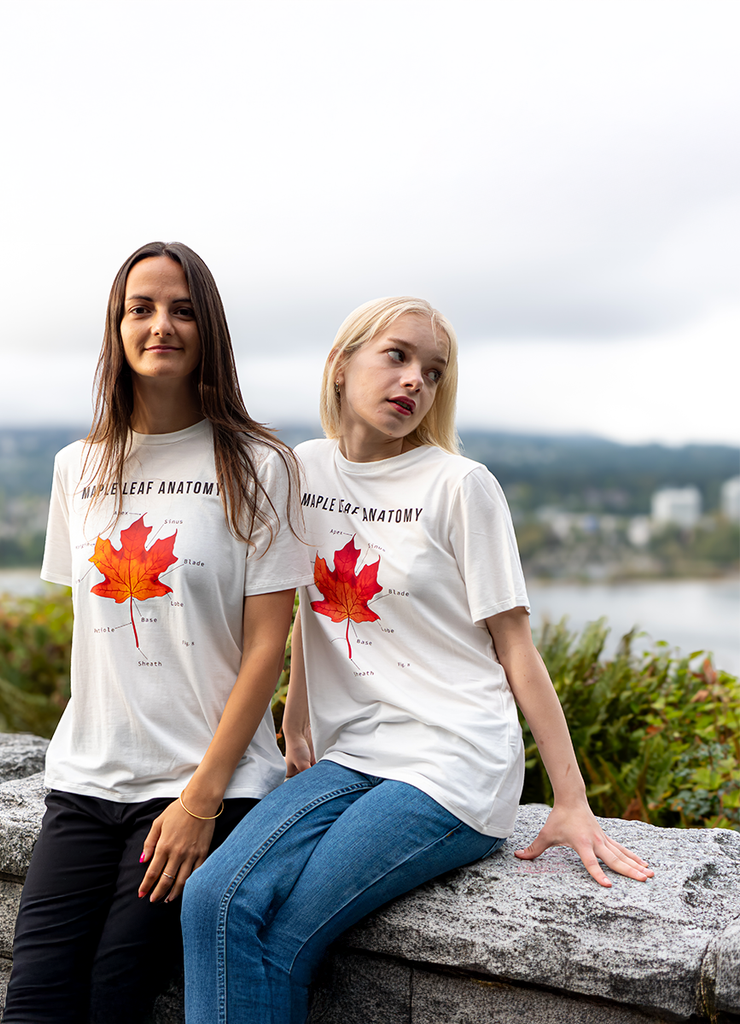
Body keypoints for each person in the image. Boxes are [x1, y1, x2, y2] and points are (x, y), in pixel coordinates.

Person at [181, 296, 654, 1024]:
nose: (415, 383)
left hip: (452, 763)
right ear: (341, 367)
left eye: (433, 373)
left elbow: (517, 649)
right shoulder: (302, 470)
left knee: (282, 938)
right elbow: (317, 607)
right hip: (355, 754)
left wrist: (572, 799)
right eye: (397, 357)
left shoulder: (460, 486)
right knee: (213, 899)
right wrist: (297, 721)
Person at [2, 242, 312, 1024]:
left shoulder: (259, 464)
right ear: (116, 328)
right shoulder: (80, 466)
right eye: (140, 308)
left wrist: (201, 799)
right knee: (33, 1002)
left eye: (181, 309)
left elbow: (266, 649)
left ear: (208, 327)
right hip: (86, 777)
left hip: (205, 781)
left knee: (115, 998)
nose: (161, 325)